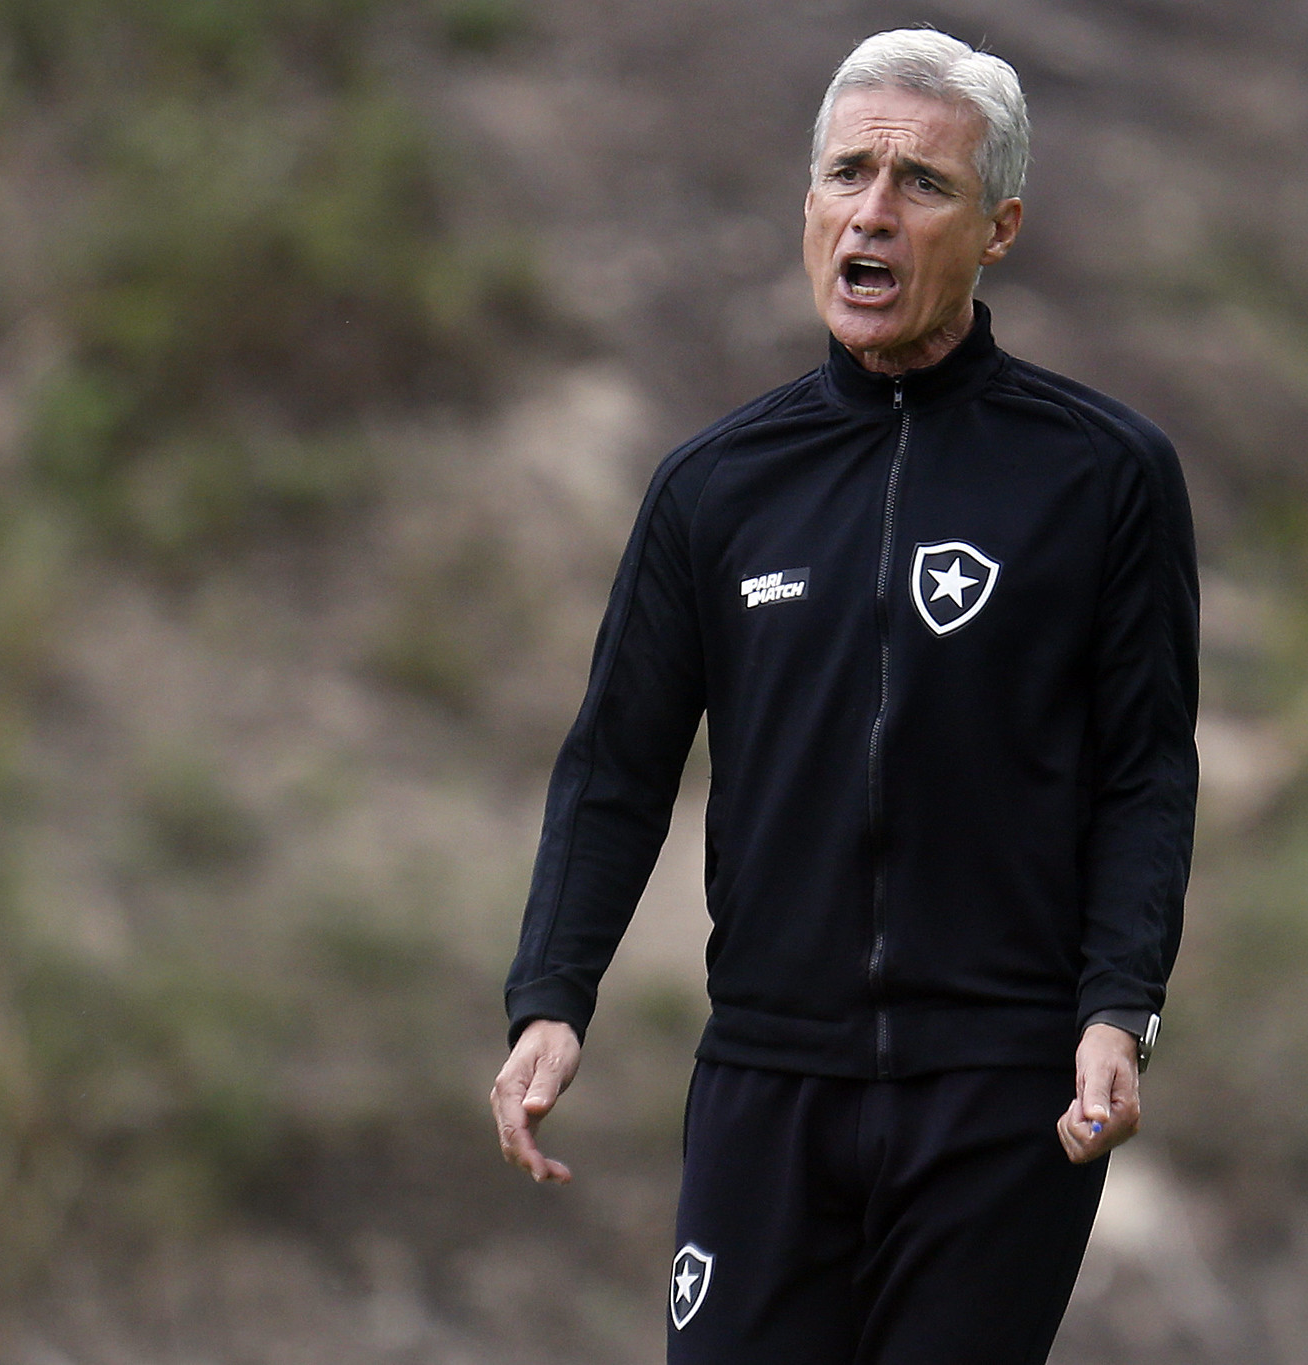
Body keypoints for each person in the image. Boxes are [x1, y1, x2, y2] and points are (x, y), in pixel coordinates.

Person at [490, 27, 1198, 1364]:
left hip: (999, 1091)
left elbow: (1145, 770)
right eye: (845, 174)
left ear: (1000, 226)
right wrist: (550, 993)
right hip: (769, 1075)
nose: (872, 210)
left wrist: (1119, 1008)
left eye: (921, 182)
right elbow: (619, 765)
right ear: (809, 204)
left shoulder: (1102, 475)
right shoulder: (714, 487)